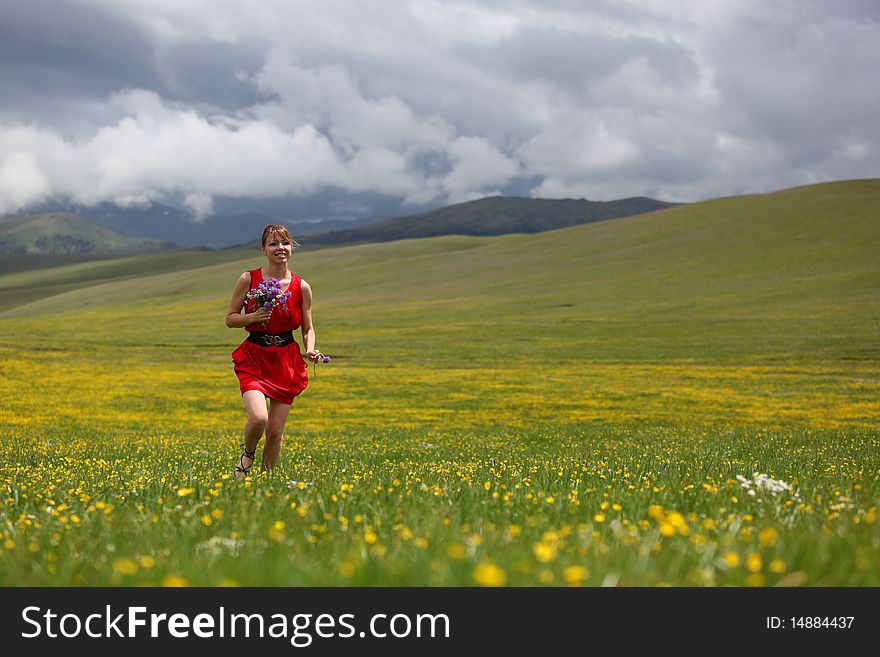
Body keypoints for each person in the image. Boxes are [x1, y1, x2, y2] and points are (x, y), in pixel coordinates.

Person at [225, 224, 322, 477]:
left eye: (285, 243)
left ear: (291, 247)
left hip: (286, 360)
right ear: (263, 249)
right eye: (273, 244)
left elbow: (307, 327)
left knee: (275, 431)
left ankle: (265, 483)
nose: (280, 248)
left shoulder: (302, 287)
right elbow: (231, 318)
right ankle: (247, 456)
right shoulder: (249, 279)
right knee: (259, 419)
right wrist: (254, 316)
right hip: (255, 356)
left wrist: (310, 349)